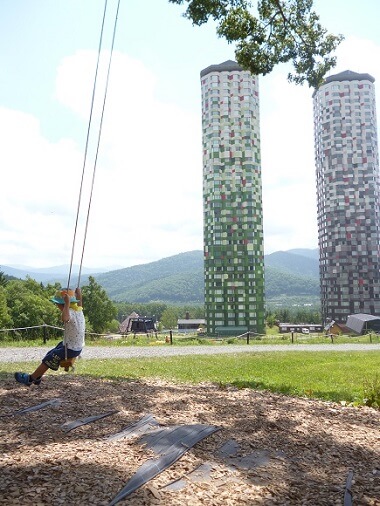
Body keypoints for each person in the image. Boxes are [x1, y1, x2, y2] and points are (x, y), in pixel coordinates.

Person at [14, 287, 85, 386]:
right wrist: (79, 295)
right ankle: (38, 376)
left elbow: (65, 318)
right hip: (73, 345)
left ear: (63, 305)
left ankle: (31, 379)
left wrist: (67, 304)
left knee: (48, 359)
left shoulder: (70, 313)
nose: (57, 307)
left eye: (58, 305)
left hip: (70, 349)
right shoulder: (78, 310)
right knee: (50, 354)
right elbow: (80, 303)